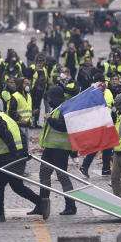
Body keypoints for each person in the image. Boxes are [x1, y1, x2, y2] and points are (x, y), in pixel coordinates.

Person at [0, 101, 49, 222]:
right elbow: (22, 135)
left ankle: (0, 214)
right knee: (17, 186)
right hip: (15, 156)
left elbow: (7, 135)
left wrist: (14, 152)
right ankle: (40, 202)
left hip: (6, 158)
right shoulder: (6, 117)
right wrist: (23, 152)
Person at [37, 86, 77, 215]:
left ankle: (71, 206)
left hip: (60, 150)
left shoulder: (64, 109)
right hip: (50, 148)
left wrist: (49, 119)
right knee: (44, 175)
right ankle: (42, 205)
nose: (48, 101)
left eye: (50, 98)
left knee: (62, 177)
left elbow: (62, 126)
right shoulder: (57, 108)